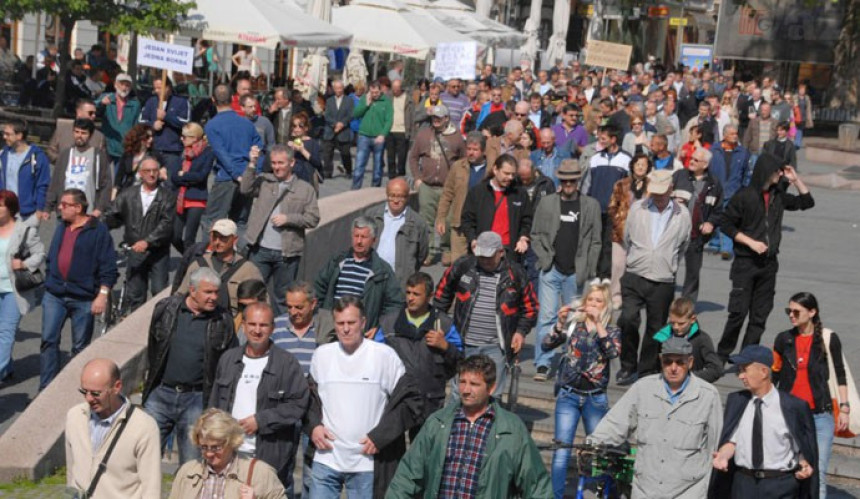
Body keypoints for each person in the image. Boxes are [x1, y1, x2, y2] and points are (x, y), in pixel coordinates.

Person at [386, 354, 552, 498]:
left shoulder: (511, 429)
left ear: (491, 388)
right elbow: (407, 476)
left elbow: (536, 486)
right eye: (462, 382)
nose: (465, 390)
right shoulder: (438, 422)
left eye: (474, 384)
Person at [306, 296, 423, 498]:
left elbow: (411, 402)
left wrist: (381, 436)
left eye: (351, 323)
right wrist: (313, 425)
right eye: (340, 323)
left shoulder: (384, 356)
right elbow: (308, 400)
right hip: (326, 460)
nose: (345, 329)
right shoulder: (322, 355)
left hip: (368, 464)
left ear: (363, 322)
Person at [590, 337, 723, 499]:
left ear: (690, 362)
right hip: (646, 489)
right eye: (668, 362)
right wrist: (591, 446)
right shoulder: (642, 388)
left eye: (680, 362)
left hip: (689, 491)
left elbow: (715, 447)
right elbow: (615, 424)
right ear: (661, 361)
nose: (673, 368)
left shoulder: (708, 395)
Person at [716, 156, 814, 360]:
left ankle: (747, 355)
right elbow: (726, 223)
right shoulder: (745, 196)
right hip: (745, 262)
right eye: (777, 171)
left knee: (760, 315)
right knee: (738, 313)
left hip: (769, 264)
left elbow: (806, 202)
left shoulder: (778, 195)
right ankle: (722, 354)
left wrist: (795, 180)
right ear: (766, 172)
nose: (780, 174)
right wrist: (750, 242)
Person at [209, 302, 310, 493]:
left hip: (267, 456)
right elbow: (215, 403)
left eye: (263, 325)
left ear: (272, 328)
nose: (257, 330)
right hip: (229, 452)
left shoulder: (287, 363)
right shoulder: (228, 359)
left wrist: (261, 421)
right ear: (244, 326)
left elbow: (298, 405)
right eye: (252, 324)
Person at [143, 267, 237, 466]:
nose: (213, 297)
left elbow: (230, 362)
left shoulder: (223, 320)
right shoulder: (166, 309)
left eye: (216, 292)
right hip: (161, 394)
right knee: (143, 456)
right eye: (208, 292)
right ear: (192, 290)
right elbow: (154, 347)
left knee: (191, 464)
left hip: (196, 400)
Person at [434, 231, 538, 397]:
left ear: (501, 252)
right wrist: (440, 324)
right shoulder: (464, 266)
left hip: (496, 347)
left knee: (492, 394)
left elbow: (531, 308)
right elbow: (441, 294)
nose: (484, 261)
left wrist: (520, 331)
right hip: (464, 343)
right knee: (459, 392)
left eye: (489, 256)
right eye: (481, 256)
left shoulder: (516, 274)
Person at [542, 280, 620, 498]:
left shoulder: (612, 330)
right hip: (569, 395)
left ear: (606, 306)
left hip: (595, 398)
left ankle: (597, 494)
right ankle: (555, 495)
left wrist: (599, 326)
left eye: (599, 301)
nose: (594, 304)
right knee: (561, 451)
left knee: (597, 452)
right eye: (591, 300)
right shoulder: (574, 325)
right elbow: (546, 344)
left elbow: (613, 353)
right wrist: (558, 323)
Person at [711, 345, 818, 498]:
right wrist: (723, 455)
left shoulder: (792, 406)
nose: (740, 376)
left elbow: (802, 446)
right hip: (744, 484)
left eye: (744, 370)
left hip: (780, 484)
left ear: (764, 372)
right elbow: (732, 441)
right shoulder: (737, 401)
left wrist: (804, 463)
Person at [616, 170, 691, 385]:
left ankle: (646, 368)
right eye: (654, 192)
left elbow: (683, 245)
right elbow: (627, 237)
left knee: (656, 327)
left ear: (670, 189)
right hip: (635, 272)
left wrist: (668, 261)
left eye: (662, 192)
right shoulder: (637, 208)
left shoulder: (682, 214)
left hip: (662, 277)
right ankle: (627, 365)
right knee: (628, 319)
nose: (657, 196)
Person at [530, 160, 602, 381]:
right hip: (551, 269)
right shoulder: (547, 203)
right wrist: (544, 259)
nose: (568, 183)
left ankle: (570, 360)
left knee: (574, 320)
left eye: (572, 180)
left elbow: (596, 241)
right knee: (547, 318)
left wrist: (588, 269)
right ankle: (543, 363)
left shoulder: (591, 205)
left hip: (576, 272)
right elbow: (536, 234)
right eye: (564, 180)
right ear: (559, 180)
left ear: (578, 180)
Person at [773, 292, 849, 498]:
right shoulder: (784, 339)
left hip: (820, 416)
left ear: (812, 312)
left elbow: (840, 373)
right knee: (788, 470)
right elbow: (774, 374)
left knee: (818, 474)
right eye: (789, 311)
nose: (791, 315)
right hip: (789, 415)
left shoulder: (828, 338)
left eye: (796, 311)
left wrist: (844, 407)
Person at [40, 188, 117, 390]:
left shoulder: (98, 231)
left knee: (80, 348)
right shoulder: (61, 227)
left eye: (65, 205)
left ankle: (73, 389)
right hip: (55, 295)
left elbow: (108, 267)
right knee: (48, 341)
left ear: (78, 207)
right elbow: (52, 256)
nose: (60, 207)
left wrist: (102, 295)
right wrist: (51, 277)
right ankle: (46, 388)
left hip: (83, 298)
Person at [271, 281, 334, 497]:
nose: (293, 312)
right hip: (284, 406)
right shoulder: (277, 327)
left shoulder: (325, 328)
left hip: (313, 410)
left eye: (299, 307)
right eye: (289, 307)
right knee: (282, 468)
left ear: (313, 304)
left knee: (311, 471)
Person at [375, 272, 461, 428]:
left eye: (416, 294)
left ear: (429, 296)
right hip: (395, 400)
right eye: (408, 292)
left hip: (429, 401)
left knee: (423, 450)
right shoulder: (389, 323)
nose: (410, 298)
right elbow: (374, 357)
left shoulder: (444, 324)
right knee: (393, 452)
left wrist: (445, 346)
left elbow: (460, 361)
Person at [241, 144, 320, 315]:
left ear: (291, 163)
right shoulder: (265, 181)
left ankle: (280, 332)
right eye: (274, 163)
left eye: (281, 163)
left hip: (287, 254)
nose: (276, 167)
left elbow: (313, 218)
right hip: (260, 250)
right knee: (253, 293)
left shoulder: (305, 189)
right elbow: (245, 189)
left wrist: (289, 219)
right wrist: (252, 164)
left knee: (283, 298)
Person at [66, 359, 161, 499]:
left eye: (96, 393)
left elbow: (151, 488)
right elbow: (72, 472)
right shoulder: (75, 416)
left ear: (117, 387)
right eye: (84, 391)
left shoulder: (144, 427)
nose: (88, 398)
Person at [102, 157, 174, 312]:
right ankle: (135, 328)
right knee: (135, 293)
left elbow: (166, 225)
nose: (152, 174)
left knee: (159, 292)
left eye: (155, 171)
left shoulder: (167, 196)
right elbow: (112, 213)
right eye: (147, 171)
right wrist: (97, 225)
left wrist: (147, 242)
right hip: (135, 250)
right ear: (140, 174)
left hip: (158, 251)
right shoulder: (129, 194)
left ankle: (158, 325)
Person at [169, 408, 286, 499]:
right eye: (204, 447)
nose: (209, 454)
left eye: (216, 448)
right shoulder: (188, 472)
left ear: (232, 442)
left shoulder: (260, 473)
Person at [314, 216, 404, 330]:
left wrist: (379, 328)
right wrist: (322, 318)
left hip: (362, 332)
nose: (359, 241)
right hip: (332, 329)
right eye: (356, 236)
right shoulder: (337, 262)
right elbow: (318, 288)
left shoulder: (382, 271)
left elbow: (395, 304)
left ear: (374, 240)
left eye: (364, 237)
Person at [201, 84, 264, 235]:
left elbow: (222, 154)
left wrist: (237, 175)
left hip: (227, 178)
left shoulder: (212, 125)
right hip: (247, 176)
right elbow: (260, 149)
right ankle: (240, 256)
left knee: (212, 222)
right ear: (232, 99)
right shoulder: (247, 124)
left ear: (213, 100)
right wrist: (254, 172)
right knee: (240, 223)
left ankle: (208, 256)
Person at [408, 104, 465, 266]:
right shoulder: (424, 135)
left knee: (447, 221)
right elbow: (413, 157)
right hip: (427, 185)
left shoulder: (457, 137)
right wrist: (417, 178)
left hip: (448, 188)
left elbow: (463, 161)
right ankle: (429, 251)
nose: (436, 121)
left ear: (447, 118)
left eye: (439, 118)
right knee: (426, 220)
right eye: (434, 118)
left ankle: (446, 249)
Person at [173, 219, 265, 318]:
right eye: (214, 237)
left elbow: (262, 305)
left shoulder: (248, 270)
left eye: (223, 238)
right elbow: (180, 296)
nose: (217, 242)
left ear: (235, 239)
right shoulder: (198, 265)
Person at [0, 191, 45, 382]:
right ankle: (7, 367)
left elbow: (40, 253)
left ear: (10, 209)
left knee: (6, 331)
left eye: (0, 206)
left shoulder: (25, 230)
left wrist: (24, 264)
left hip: (13, 289)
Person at [581, 124, 632, 279]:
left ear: (613, 139)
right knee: (596, 242)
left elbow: (629, 185)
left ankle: (607, 276)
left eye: (604, 138)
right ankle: (595, 273)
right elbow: (587, 184)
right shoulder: (595, 158)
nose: (600, 140)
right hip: (596, 209)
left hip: (615, 210)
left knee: (610, 244)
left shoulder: (626, 159)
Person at [672, 146, 723, 302]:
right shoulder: (679, 176)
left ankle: (687, 305)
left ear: (705, 164)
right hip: (674, 233)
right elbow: (663, 196)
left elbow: (718, 210)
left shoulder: (714, 184)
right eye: (691, 158)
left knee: (693, 273)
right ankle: (664, 300)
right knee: (668, 269)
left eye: (696, 160)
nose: (691, 161)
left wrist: (710, 223)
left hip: (696, 236)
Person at [460, 154, 533, 261]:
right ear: (495, 169)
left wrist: (523, 237)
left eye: (513, 174)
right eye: (506, 173)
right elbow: (467, 219)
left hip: (510, 251)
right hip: (484, 250)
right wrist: (473, 239)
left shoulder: (520, 193)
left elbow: (527, 220)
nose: (510, 178)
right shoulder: (478, 192)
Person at [366, 178, 428, 289]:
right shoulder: (371, 215)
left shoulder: (418, 223)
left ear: (407, 197)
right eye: (392, 195)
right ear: (387, 195)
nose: (395, 200)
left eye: (400, 196)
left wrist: (408, 270)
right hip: (372, 278)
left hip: (399, 284)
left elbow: (421, 254)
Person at [435, 131, 487, 263]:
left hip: (482, 225)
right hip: (459, 223)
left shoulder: (491, 170)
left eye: (475, 149)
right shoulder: (458, 167)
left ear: (483, 151)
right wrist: (441, 218)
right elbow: (447, 193)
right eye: (469, 149)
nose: (471, 152)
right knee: (458, 264)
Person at [607, 153, 650, 308]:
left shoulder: (652, 186)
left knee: (639, 267)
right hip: (621, 231)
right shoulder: (621, 184)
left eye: (643, 165)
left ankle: (636, 297)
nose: (640, 167)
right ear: (632, 166)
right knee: (618, 265)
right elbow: (612, 206)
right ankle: (615, 295)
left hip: (644, 233)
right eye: (637, 164)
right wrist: (618, 220)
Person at [46, 118, 112, 217]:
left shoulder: (98, 156)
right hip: (64, 212)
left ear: (90, 135)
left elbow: (106, 184)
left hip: (88, 213)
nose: (79, 136)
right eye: (77, 132)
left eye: (83, 133)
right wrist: (47, 207)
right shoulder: (65, 154)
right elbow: (55, 183)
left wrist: (99, 208)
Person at [652, 296, 723, 383]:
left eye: (681, 323)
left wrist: (691, 379)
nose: (676, 327)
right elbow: (650, 365)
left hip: (691, 386)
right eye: (672, 323)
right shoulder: (662, 336)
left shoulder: (702, 339)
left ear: (692, 319)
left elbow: (716, 369)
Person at [707, 124, 750, 260]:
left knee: (728, 218)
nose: (735, 136)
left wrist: (744, 189)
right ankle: (715, 243)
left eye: (736, 133)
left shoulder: (742, 152)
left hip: (733, 191)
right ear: (724, 136)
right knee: (714, 215)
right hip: (716, 189)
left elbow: (746, 173)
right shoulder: (714, 150)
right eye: (731, 134)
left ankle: (726, 248)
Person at [170, 122, 214, 254]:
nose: (181, 139)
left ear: (195, 138)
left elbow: (201, 176)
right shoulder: (183, 152)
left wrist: (183, 175)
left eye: (184, 137)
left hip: (197, 199)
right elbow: (173, 176)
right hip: (180, 199)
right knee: (174, 236)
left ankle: (189, 265)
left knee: (189, 238)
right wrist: (188, 177)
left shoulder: (207, 152)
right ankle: (191, 258)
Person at [0, 118, 51, 225]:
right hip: (5, 212)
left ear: (19, 136)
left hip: (27, 214)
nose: (4, 137)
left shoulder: (38, 157)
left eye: (8, 134)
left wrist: (39, 212)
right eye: (4, 134)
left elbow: (42, 185)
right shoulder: (3, 155)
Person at [139, 77, 190, 173]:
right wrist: (152, 125)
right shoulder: (151, 101)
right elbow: (141, 121)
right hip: (154, 149)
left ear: (168, 87)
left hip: (172, 150)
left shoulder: (181, 102)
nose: (157, 91)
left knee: (170, 181)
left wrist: (167, 117)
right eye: (155, 88)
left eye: (159, 88)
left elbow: (185, 123)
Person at [352, 80, 393, 189]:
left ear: (380, 90)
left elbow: (389, 120)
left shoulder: (386, 102)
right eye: (372, 92)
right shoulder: (364, 98)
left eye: (376, 92)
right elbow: (356, 114)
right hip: (364, 136)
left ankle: (374, 189)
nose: (374, 95)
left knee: (378, 166)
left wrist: (383, 134)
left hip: (378, 137)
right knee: (359, 165)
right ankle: (355, 189)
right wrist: (366, 104)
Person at [97, 73, 141, 168]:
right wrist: (101, 103)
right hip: (108, 146)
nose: (124, 87)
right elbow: (93, 110)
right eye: (122, 84)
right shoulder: (107, 98)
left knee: (119, 179)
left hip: (125, 148)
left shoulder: (135, 104)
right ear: (115, 85)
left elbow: (136, 126)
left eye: (127, 85)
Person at [322, 80, 355, 178]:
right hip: (330, 131)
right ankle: (327, 172)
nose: (338, 90)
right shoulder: (329, 100)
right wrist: (335, 124)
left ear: (343, 88)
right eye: (336, 88)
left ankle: (348, 171)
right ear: (333, 89)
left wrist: (342, 124)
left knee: (345, 153)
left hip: (343, 131)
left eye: (340, 88)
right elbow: (327, 115)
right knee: (327, 154)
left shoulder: (349, 100)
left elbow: (351, 115)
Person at [113, 124, 158, 194]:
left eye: (152, 137)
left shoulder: (153, 156)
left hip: (145, 192)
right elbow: (119, 178)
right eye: (147, 137)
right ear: (139, 138)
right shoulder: (128, 155)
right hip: (128, 192)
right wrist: (114, 196)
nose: (151, 139)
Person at [386, 79, 414, 179]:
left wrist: (411, 132)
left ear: (401, 88)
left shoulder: (408, 99)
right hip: (390, 130)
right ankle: (391, 176)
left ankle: (401, 175)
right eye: (393, 88)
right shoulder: (388, 97)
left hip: (402, 131)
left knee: (402, 157)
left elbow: (412, 115)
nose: (395, 91)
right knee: (390, 156)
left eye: (397, 89)